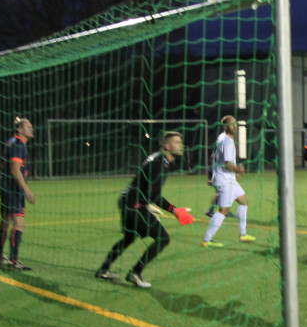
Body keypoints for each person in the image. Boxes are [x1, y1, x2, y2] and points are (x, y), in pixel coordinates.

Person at [96, 131, 194, 288]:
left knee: (129, 238)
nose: (180, 145)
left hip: (130, 201)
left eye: (180, 141)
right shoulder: (159, 163)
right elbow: (154, 195)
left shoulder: (160, 160)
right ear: (167, 146)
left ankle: (103, 269)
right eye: (176, 142)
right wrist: (175, 210)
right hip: (133, 205)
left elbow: (144, 186)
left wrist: (148, 205)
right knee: (163, 238)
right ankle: (135, 273)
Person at [201, 115, 255, 247]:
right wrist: (238, 169)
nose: (234, 126)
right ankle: (206, 240)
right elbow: (228, 164)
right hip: (225, 181)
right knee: (223, 211)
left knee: (244, 201)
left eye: (235, 123)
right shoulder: (227, 141)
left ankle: (243, 234)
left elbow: (216, 159)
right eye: (231, 124)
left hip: (227, 178)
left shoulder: (222, 138)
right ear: (225, 126)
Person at [0, 118, 37, 270]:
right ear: (19, 130)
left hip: (6, 186)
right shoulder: (18, 145)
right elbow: (15, 169)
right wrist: (26, 190)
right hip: (13, 188)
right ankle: (14, 261)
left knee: (5, 223)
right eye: (28, 126)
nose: (31, 129)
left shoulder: (11, 141)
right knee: (19, 224)